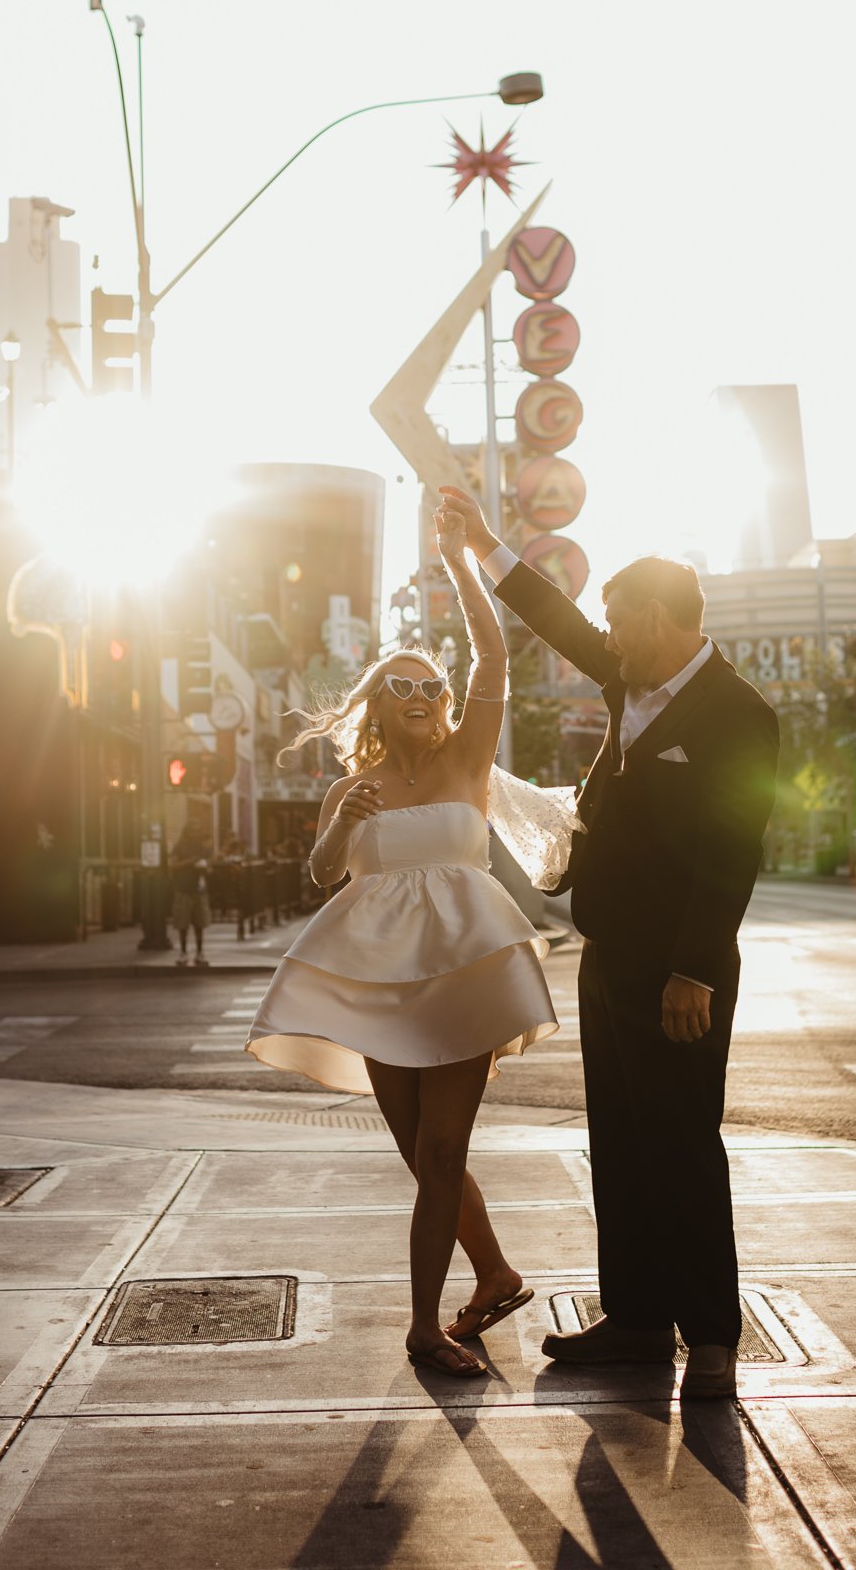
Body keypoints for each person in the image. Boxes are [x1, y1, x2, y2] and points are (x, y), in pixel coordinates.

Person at [438, 485, 780, 1401]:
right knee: (619, 1140)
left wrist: (692, 970)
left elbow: (728, 857)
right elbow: (553, 619)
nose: (609, 635)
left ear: (662, 619)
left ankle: (709, 1334)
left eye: (622, 620)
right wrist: (482, 546)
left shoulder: (737, 714)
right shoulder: (626, 676)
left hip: (680, 970)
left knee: (682, 1143)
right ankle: (635, 1320)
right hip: (608, 954)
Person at [247, 506, 557, 1378]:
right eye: (401, 686)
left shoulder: (468, 758)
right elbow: (318, 877)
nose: (420, 696)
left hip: (465, 973)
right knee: (422, 1160)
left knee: (442, 1153)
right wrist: (335, 825)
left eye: (430, 686)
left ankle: (425, 1326)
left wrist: (459, 558)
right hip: (381, 983)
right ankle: (492, 1271)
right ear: (376, 705)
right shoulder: (355, 785)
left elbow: (494, 656)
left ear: (447, 704)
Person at [171, 848, 212, 968]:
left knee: (199, 923)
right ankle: (183, 952)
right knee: (182, 922)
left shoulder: (202, 849)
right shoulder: (180, 847)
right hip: (184, 889)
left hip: (198, 889)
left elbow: (209, 867)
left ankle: (199, 952)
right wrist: (191, 861)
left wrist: (207, 865)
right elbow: (173, 865)